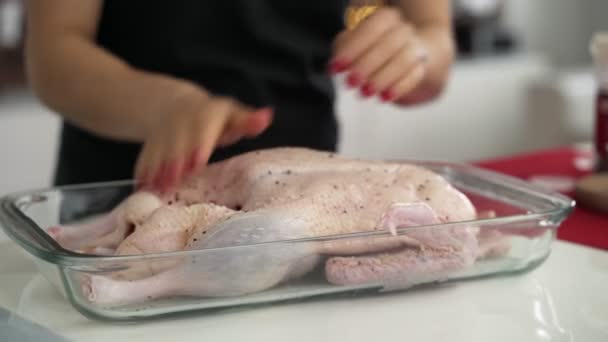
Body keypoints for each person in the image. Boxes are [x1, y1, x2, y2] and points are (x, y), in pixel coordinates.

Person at [24, 0, 455, 193]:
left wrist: (410, 51)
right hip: (123, 202)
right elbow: (54, 52)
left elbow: (434, 41)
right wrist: (164, 106)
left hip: (299, 209)